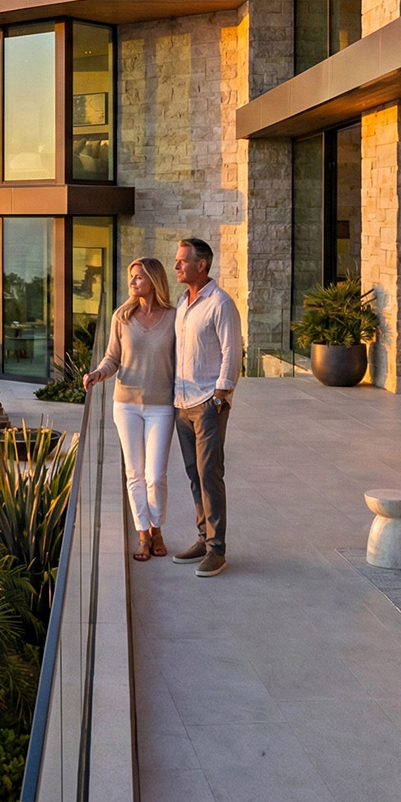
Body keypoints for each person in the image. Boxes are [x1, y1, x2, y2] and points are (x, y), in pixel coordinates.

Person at [84, 257, 177, 561]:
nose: (133, 282)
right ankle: (143, 534)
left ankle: (157, 527)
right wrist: (98, 373)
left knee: (156, 475)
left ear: (154, 281)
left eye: (139, 277)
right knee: (134, 473)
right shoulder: (122, 317)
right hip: (125, 404)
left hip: (161, 405)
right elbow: (113, 357)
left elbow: (183, 361)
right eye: (132, 277)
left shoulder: (175, 318)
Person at [170, 237, 242, 578]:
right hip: (181, 403)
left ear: (202, 265)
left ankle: (217, 550)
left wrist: (221, 395)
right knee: (193, 474)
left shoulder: (221, 303)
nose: (177, 266)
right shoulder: (183, 304)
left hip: (207, 404)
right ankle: (203, 537)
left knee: (210, 474)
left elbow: (232, 352)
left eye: (183, 260)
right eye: (177, 260)